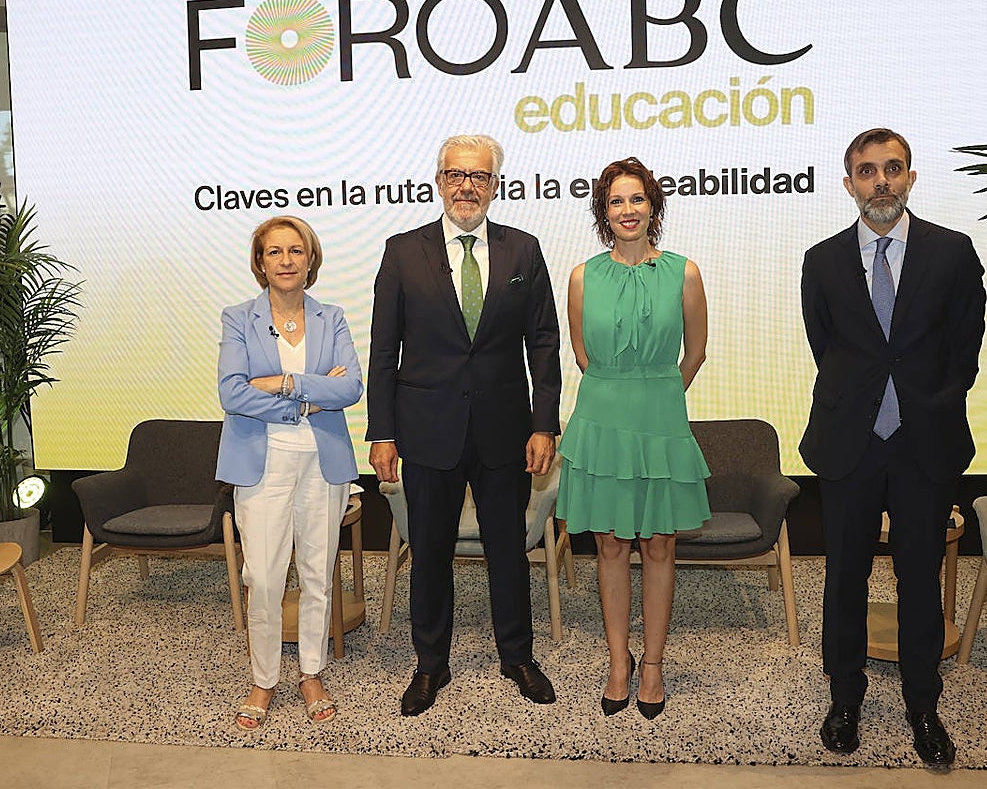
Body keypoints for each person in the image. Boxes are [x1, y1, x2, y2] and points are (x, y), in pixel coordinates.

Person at [800, 129, 986, 767]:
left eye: (892, 168)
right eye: (867, 170)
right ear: (848, 182)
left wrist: (928, 402)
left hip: (923, 444)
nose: (880, 181)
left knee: (919, 579)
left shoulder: (952, 252)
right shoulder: (822, 260)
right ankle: (844, 698)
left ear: (910, 177)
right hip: (848, 443)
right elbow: (826, 347)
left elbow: (966, 346)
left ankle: (923, 705)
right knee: (844, 577)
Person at [367, 134, 563, 716]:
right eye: (456, 174)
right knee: (429, 553)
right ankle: (430, 663)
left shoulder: (523, 250)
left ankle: (517, 655)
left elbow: (543, 344)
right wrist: (382, 433)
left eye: (478, 176)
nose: (466, 186)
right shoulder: (403, 252)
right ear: (439, 181)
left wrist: (544, 424)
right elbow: (384, 350)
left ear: (495, 185)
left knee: (508, 550)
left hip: (505, 431)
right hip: (428, 430)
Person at [556, 157, 711, 720]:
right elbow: (582, 354)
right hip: (602, 420)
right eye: (616, 200)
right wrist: (622, 390)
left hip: (660, 420)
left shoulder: (685, 272)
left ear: (653, 207)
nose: (628, 210)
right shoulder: (581, 277)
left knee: (661, 546)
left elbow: (695, 352)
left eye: (637, 199)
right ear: (604, 211)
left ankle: (653, 664)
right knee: (611, 546)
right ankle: (618, 661)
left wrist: (658, 393)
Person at [216, 215, 364, 730]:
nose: (286, 260)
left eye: (296, 251)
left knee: (318, 571)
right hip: (262, 461)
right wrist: (309, 395)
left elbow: (350, 388)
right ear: (260, 262)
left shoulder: (332, 317)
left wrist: (282, 383)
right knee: (263, 576)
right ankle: (263, 679)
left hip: (323, 460)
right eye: (274, 252)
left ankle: (311, 673)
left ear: (310, 259)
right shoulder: (238, 318)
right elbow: (232, 392)